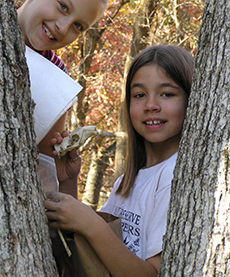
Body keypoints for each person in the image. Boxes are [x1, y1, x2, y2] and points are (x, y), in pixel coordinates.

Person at [43, 45, 194, 276]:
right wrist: (68, 181)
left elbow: (151, 274)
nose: (151, 105)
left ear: (191, 100)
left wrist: (91, 224)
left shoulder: (175, 176)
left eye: (167, 94)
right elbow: (92, 249)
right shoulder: (127, 181)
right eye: (139, 95)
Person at [16, 0, 108, 196]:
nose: (63, 27)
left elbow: (44, 161)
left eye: (78, 26)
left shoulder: (56, 77)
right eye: (63, 7)